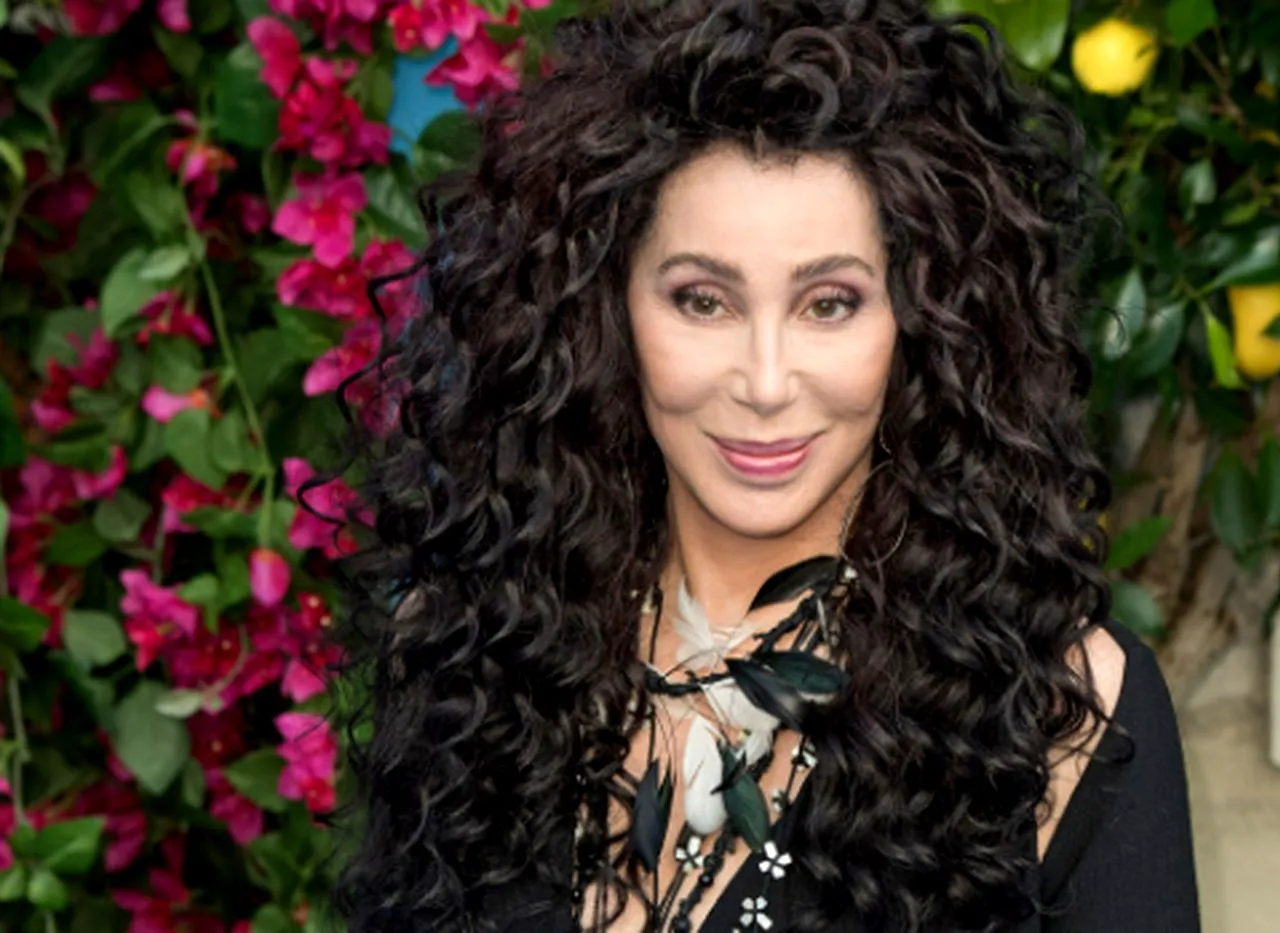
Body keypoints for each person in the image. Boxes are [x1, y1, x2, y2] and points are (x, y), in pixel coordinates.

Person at [328, 0, 1200, 930]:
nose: (767, 382)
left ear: (924, 321)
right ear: (605, 310)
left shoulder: (1062, 712)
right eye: (703, 300)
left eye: (830, 303)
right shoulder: (475, 643)